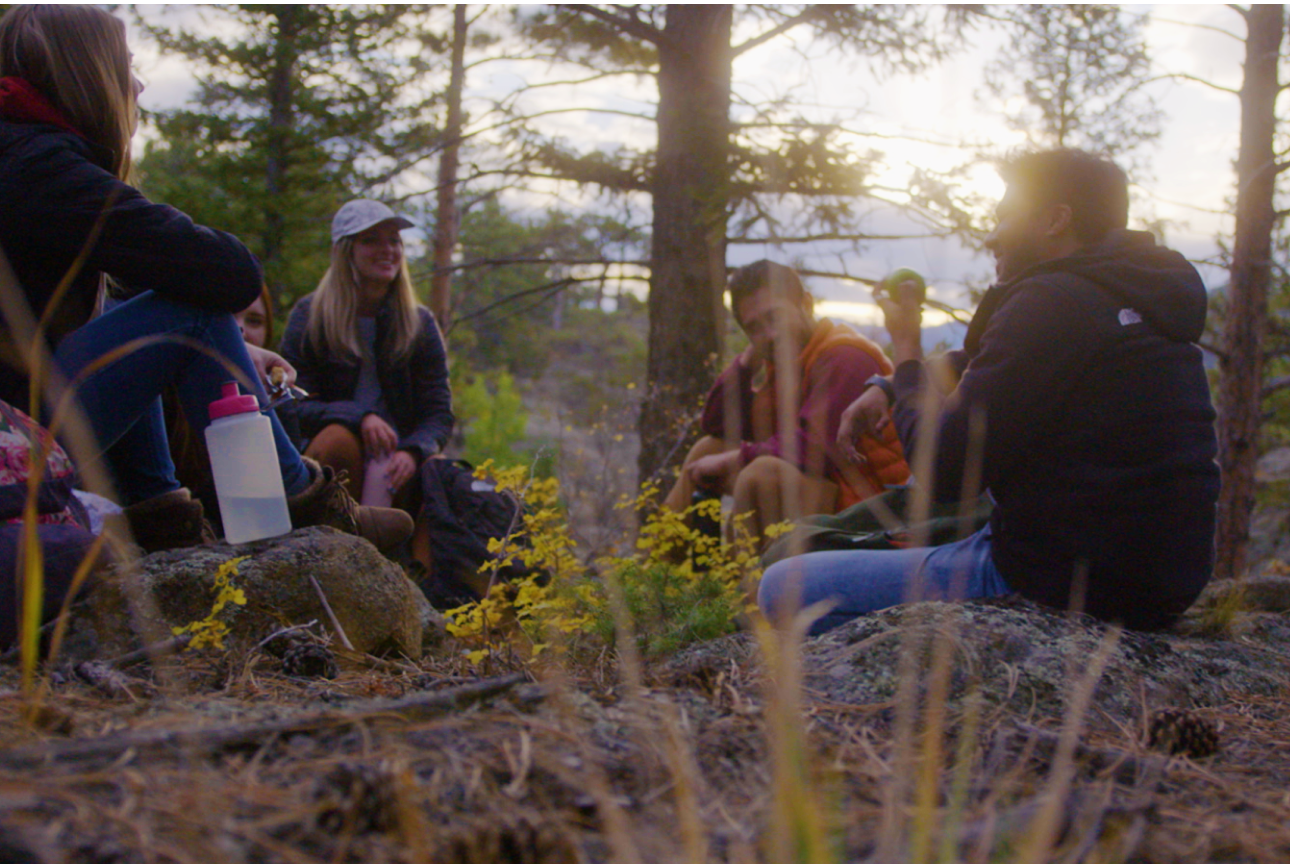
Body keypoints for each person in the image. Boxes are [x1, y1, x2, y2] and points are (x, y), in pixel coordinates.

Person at [0, 4, 413, 555]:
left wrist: (236, 347)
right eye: (125, 66)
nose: (139, 83)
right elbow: (228, 273)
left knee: (163, 303)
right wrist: (211, 329)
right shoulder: (40, 170)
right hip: (16, 434)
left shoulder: (21, 153)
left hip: (19, 413)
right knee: (190, 307)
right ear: (87, 75)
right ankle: (301, 499)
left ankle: (157, 508)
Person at [759, 148, 1220, 635]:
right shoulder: (1130, 290)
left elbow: (942, 473)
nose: (991, 235)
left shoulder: (1051, 300)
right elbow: (995, 366)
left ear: (1054, 220)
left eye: (1003, 216)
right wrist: (894, 385)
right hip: (1165, 581)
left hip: (1057, 581)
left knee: (783, 586)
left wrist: (908, 350)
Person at [662, 260, 910, 546]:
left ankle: (743, 586)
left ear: (806, 303)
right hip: (828, 491)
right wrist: (748, 360)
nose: (770, 334)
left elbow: (814, 448)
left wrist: (736, 458)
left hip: (872, 507)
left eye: (775, 317)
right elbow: (718, 424)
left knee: (761, 474)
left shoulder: (844, 355)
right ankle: (661, 573)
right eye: (754, 327)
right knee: (708, 448)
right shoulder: (787, 362)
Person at [281, 199, 454, 571]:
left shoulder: (419, 323)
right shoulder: (310, 316)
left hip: (397, 461)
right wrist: (360, 417)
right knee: (337, 440)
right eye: (372, 240)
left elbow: (438, 414)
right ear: (346, 251)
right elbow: (290, 404)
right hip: (336, 465)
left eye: (394, 240)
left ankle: (422, 584)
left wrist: (414, 450)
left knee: (438, 471)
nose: (388, 250)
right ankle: (322, 560)